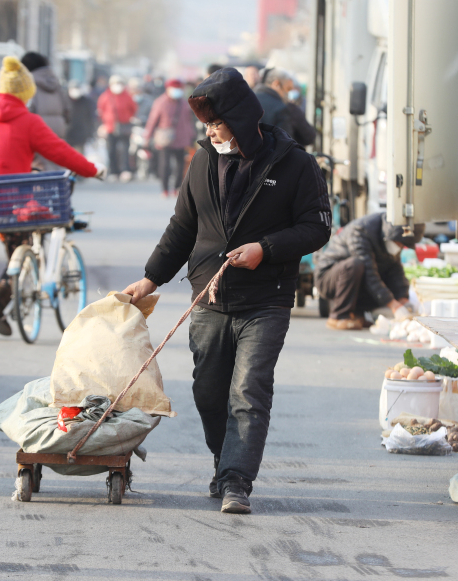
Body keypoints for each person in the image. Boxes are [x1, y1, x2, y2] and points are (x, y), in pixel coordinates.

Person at [122, 68, 331, 514]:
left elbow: (317, 227)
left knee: (249, 391)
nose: (210, 133)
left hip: (267, 298)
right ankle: (224, 461)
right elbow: (182, 227)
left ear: (241, 119)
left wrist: (265, 249)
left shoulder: (295, 163)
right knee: (208, 392)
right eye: (207, 125)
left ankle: (237, 480)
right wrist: (151, 278)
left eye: (217, 124)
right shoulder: (202, 161)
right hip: (209, 297)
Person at [0, 57, 102, 339]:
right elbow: (60, 152)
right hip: (9, 204)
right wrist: (92, 169)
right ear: (25, 92)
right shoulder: (28, 121)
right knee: (22, 250)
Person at [314, 213, 424, 330]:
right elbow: (369, 273)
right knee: (356, 265)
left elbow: (395, 269)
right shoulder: (360, 231)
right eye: (399, 243)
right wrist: (393, 304)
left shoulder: (390, 237)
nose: (400, 247)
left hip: (353, 277)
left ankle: (356, 315)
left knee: (382, 275)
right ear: (391, 235)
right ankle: (339, 316)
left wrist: (403, 298)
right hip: (328, 277)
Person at [143, 79, 195, 197]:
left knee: (180, 165)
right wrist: (147, 137)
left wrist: (191, 136)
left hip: (182, 138)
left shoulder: (184, 103)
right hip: (165, 139)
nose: (177, 91)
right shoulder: (160, 102)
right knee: (164, 165)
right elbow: (152, 121)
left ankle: (177, 187)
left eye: (179, 89)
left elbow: (189, 121)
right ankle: (165, 189)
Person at [22, 51, 71, 171]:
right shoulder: (56, 84)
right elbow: (67, 111)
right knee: (55, 169)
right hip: (58, 134)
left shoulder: (28, 86)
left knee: (40, 171)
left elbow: (26, 112)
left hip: (38, 136)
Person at [254, 68, 316, 147]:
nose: (288, 93)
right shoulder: (282, 108)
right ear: (276, 84)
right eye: (288, 89)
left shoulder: (250, 99)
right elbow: (285, 146)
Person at [96, 75, 137, 179]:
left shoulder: (127, 96)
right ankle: (113, 171)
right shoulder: (105, 96)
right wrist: (103, 124)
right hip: (110, 127)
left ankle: (125, 170)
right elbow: (100, 111)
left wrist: (127, 118)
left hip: (124, 126)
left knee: (125, 150)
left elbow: (133, 109)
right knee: (111, 150)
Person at [65, 81, 97, 153]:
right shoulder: (65, 100)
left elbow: (90, 118)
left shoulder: (86, 101)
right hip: (67, 135)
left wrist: (90, 134)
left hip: (81, 135)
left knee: (78, 155)